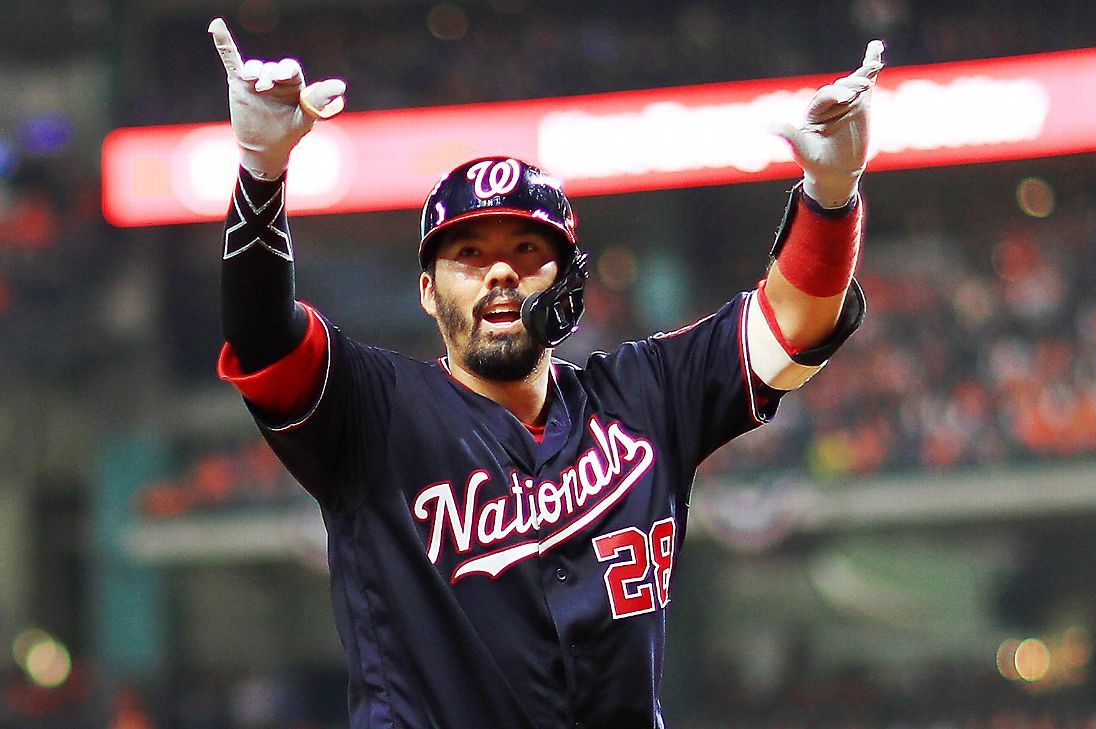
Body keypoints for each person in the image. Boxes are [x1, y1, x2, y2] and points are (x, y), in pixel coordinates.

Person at [209, 16, 884, 729]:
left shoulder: (646, 398)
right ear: (428, 291)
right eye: (467, 253)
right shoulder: (375, 412)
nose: (500, 268)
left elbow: (793, 325)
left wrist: (831, 190)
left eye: (528, 248)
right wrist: (260, 174)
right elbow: (263, 341)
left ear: (569, 283)